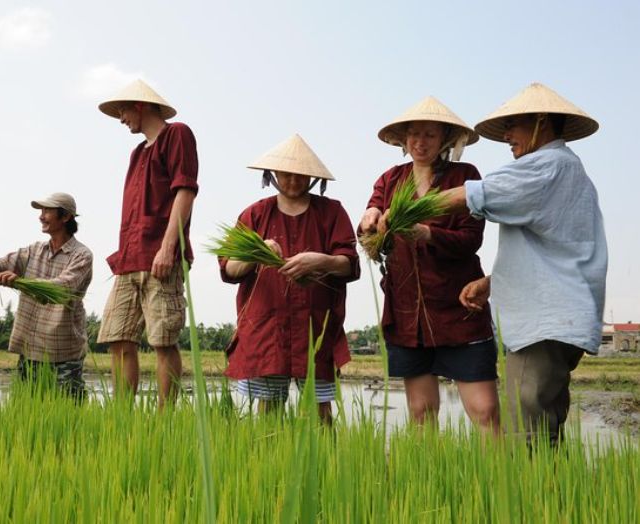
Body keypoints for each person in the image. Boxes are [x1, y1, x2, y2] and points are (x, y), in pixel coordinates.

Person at [439, 83, 607, 445]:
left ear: (541, 122)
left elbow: (478, 193)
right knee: (541, 428)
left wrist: (401, 211)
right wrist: (492, 282)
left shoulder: (548, 165)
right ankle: (551, 500)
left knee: (525, 437)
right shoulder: (565, 169)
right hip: (552, 317)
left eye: (513, 125)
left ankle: (536, 502)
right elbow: (554, 248)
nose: (507, 137)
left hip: (543, 324)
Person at [359, 97, 500, 434]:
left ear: (445, 141)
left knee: (485, 410)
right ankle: (426, 482)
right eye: (414, 135)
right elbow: (370, 228)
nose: (420, 143)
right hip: (408, 312)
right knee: (421, 412)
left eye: (430, 136)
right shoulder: (390, 180)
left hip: (457, 306)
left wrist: (427, 233)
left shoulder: (464, 176)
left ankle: (498, 483)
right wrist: (368, 222)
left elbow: (471, 239)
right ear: (403, 140)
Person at [220, 134, 359, 424]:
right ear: (272, 175)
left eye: (300, 175)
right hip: (267, 329)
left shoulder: (331, 213)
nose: (293, 181)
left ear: (312, 177)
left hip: (316, 328)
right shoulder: (254, 215)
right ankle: (272, 467)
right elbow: (229, 269)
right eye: (285, 174)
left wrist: (321, 260)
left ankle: (323, 467)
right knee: (269, 411)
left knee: (319, 413)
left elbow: (349, 265)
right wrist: (257, 253)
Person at [96, 79, 198, 409]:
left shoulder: (177, 134)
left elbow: (185, 191)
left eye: (123, 110)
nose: (121, 118)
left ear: (140, 106)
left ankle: (164, 418)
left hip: (159, 256)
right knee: (118, 337)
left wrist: (168, 248)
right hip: (129, 259)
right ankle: (123, 415)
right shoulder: (137, 152)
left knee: (163, 340)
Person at [0, 193, 93, 399]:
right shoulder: (35, 250)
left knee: (69, 411)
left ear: (65, 217)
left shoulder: (81, 255)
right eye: (41, 211)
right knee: (26, 406)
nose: (41, 216)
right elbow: (9, 261)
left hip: (63, 348)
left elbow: (64, 286)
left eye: (47, 211)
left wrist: (20, 283)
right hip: (31, 345)